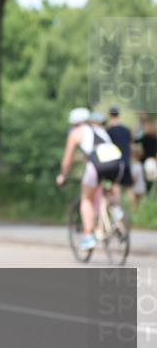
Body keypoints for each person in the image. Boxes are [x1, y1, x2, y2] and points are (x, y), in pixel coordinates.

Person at [57, 108, 125, 252]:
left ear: (74, 123)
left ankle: (88, 236)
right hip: (117, 162)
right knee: (109, 189)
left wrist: (63, 175)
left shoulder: (76, 132)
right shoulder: (99, 129)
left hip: (97, 165)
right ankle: (117, 213)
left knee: (86, 199)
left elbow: (67, 159)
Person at [106, 107, 133, 205]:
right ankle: (134, 213)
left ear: (110, 115)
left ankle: (118, 210)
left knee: (115, 185)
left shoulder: (108, 131)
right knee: (129, 187)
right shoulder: (126, 130)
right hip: (126, 162)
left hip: (115, 163)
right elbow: (131, 146)